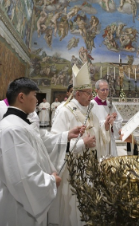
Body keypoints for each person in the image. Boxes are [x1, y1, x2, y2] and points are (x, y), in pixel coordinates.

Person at [0, 77, 85, 226]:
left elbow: (41, 140)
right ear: (21, 97)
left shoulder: (21, 123)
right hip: (17, 210)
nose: (37, 100)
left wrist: (66, 135)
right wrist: (50, 182)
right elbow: (24, 177)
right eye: (34, 95)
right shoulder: (12, 129)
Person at [50, 63, 110, 226]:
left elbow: (98, 132)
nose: (92, 96)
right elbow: (55, 143)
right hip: (72, 169)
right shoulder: (65, 111)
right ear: (77, 94)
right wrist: (82, 144)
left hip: (89, 166)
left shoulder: (90, 110)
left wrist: (104, 128)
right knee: (73, 206)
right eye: (89, 93)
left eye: (92, 92)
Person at [92, 79, 123, 156]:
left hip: (110, 141)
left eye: (107, 89)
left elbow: (119, 122)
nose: (105, 92)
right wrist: (105, 123)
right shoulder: (91, 105)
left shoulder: (110, 105)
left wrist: (113, 123)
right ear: (96, 90)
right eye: (103, 90)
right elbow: (90, 124)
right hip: (98, 141)